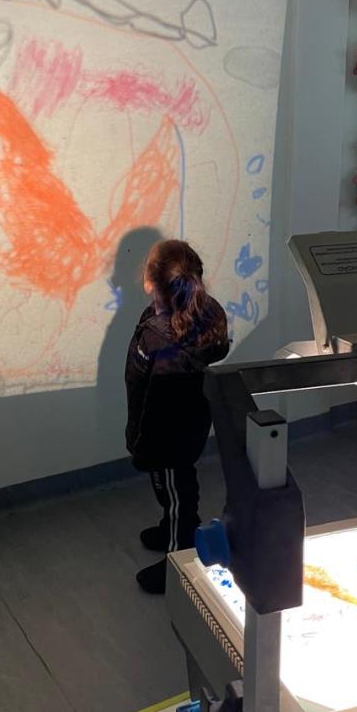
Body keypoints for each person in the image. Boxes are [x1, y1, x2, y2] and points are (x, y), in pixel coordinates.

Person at [125, 239, 230, 594]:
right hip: (189, 426)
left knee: (174, 490)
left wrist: (142, 444)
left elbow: (153, 397)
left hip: (162, 437)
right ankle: (172, 525)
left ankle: (179, 553)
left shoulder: (159, 336)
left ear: (149, 282)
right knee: (177, 487)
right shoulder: (205, 314)